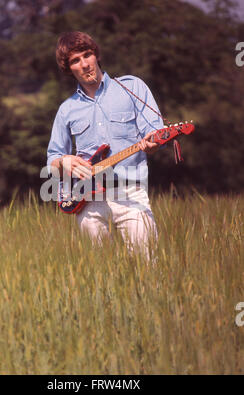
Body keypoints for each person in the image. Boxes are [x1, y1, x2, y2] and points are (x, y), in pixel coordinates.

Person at [47, 31, 163, 255]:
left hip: (130, 191)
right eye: (75, 60)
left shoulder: (133, 88)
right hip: (87, 199)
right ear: (68, 68)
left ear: (96, 55)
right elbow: (52, 160)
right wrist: (64, 162)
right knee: (101, 272)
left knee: (147, 266)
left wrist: (155, 142)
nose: (84, 64)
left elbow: (154, 131)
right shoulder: (66, 110)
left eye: (87, 55)